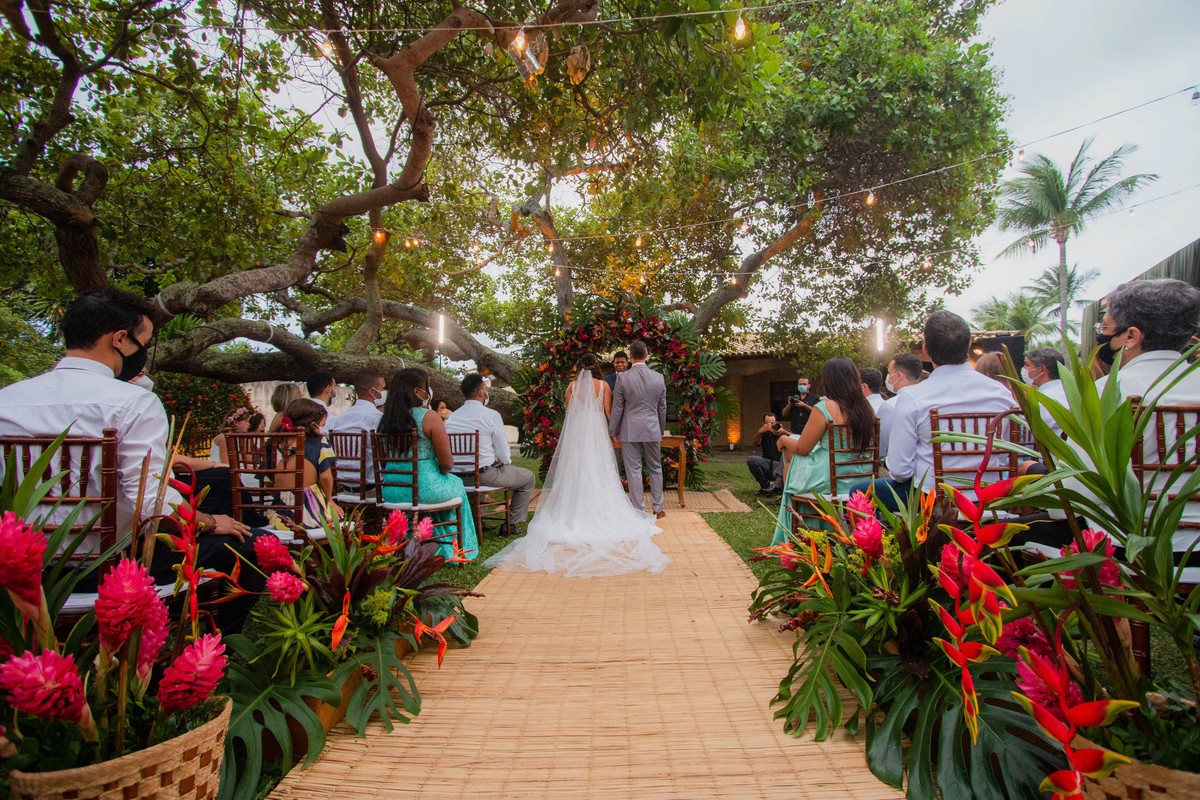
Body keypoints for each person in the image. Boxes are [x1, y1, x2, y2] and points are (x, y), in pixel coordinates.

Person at [0, 287, 264, 633]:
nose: (145, 354)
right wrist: (212, 522)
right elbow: (153, 503)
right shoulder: (132, 403)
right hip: (108, 568)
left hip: (22, 565)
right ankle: (203, 648)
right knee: (251, 547)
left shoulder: (8, 400)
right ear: (121, 340)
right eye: (145, 344)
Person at [486, 354, 667, 577]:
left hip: (578, 433)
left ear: (579, 367)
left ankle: (574, 510)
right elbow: (608, 412)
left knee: (578, 470)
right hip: (597, 433)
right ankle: (601, 509)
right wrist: (614, 434)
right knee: (600, 470)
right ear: (597, 366)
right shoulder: (604, 386)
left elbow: (570, 414)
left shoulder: (571, 387)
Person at [853, 311, 1015, 512]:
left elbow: (899, 470)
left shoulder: (913, 397)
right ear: (969, 344)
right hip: (991, 497)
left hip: (933, 500)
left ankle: (886, 534)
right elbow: (1008, 455)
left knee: (859, 492)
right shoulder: (1002, 394)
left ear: (925, 349)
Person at [772, 357, 876, 544]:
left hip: (831, 479)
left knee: (790, 458)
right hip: (863, 479)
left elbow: (803, 448)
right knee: (792, 450)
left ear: (829, 381)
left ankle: (796, 535)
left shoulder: (824, 407)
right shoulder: (866, 408)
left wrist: (783, 439)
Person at [379, 368, 478, 561]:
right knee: (456, 484)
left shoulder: (385, 420)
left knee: (442, 488)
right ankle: (453, 549)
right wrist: (438, 472)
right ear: (417, 392)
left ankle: (410, 546)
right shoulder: (429, 416)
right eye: (427, 387)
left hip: (391, 489)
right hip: (424, 488)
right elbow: (447, 463)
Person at [445, 374, 536, 536]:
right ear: (481, 392)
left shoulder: (453, 418)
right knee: (528, 478)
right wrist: (504, 464)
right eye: (486, 389)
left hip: (456, 477)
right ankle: (511, 523)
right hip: (484, 476)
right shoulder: (491, 415)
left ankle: (478, 520)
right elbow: (503, 452)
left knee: (484, 467)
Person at [609, 340, 668, 519]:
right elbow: (662, 408)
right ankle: (658, 508)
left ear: (630, 356)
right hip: (652, 428)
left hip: (630, 430)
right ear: (646, 355)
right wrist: (660, 429)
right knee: (655, 467)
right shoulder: (658, 378)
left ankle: (639, 510)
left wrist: (613, 432)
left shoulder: (623, 378)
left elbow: (617, 408)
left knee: (633, 470)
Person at [270, 399, 343, 531]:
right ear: (313, 425)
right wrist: (329, 500)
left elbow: (269, 480)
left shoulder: (278, 442)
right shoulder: (320, 442)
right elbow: (325, 477)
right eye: (322, 425)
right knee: (340, 522)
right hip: (309, 513)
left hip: (279, 514)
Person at [329, 372, 387, 487]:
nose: (384, 392)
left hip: (343, 485)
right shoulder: (377, 418)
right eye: (382, 388)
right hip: (372, 487)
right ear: (372, 391)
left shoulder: (340, 419)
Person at [878, 353, 923, 460]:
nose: (888, 379)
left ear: (899, 375)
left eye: (889, 373)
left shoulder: (890, 406)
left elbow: (880, 445)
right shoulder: (930, 399)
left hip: (899, 463)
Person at [1023, 347, 1068, 436]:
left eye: (1027, 365)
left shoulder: (1042, 401)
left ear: (1042, 370)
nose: (1024, 368)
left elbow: (1028, 434)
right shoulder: (1070, 393)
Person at [747, 413, 786, 495]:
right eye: (767, 423)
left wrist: (783, 432)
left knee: (780, 471)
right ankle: (765, 487)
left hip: (779, 466)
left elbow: (796, 438)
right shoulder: (763, 432)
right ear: (763, 423)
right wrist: (759, 432)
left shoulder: (782, 431)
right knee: (752, 460)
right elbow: (756, 443)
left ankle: (778, 488)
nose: (770, 426)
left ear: (777, 423)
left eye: (772, 423)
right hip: (766, 463)